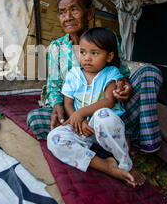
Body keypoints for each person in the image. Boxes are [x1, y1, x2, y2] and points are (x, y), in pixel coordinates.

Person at [27, 0, 163, 154]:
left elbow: (122, 74)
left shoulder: (107, 37)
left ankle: (143, 142)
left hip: (111, 113)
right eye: (62, 12)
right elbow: (54, 86)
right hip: (76, 114)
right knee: (35, 119)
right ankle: (110, 139)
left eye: (74, 9)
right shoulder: (57, 47)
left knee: (149, 72)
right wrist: (57, 105)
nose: (68, 17)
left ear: (90, 13)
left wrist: (123, 84)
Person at [47, 27, 145, 187]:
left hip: (104, 128)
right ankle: (106, 165)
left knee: (103, 115)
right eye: (83, 52)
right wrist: (77, 120)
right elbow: (68, 103)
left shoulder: (111, 73)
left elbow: (109, 101)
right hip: (83, 128)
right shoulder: (73, 74)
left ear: (109, 56)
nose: (87, 58)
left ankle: (126, 163)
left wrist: (80, 113)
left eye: (94, 53)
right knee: (53, 139)